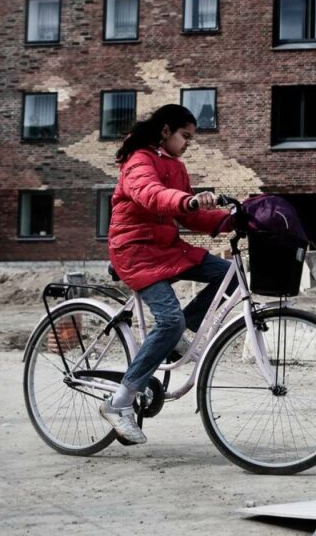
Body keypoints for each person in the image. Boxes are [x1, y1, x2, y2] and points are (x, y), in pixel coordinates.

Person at [99, 104, 233, 445]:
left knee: (228, 274)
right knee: (169, 320)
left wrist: (229, 218)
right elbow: (153, 195)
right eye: (184, 136)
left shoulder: (177, 166)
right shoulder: (138, 161)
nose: (188, 143)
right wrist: (187, 202)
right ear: (165, 131)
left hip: (166, 248)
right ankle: (120, 402)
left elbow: (188, 215)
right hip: (135, 250)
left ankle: (176, 333)